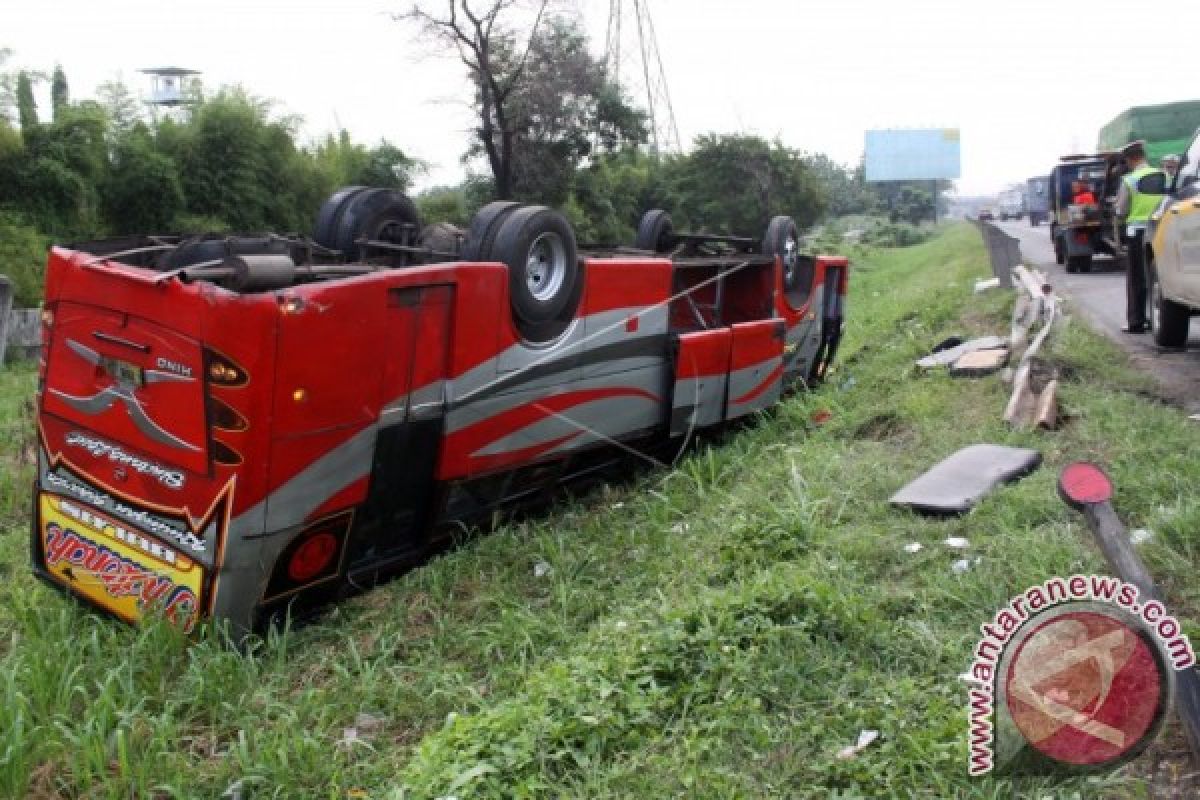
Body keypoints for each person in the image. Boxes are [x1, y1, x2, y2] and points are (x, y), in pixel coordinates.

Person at [1114, 140, 1164, 333]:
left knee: (1136, 279)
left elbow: (1121, 209)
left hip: (1137, 234)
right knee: (1157, 276)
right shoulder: (1163, 175)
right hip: (1161, 230)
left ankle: (1136, 322)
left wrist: (1117, 209)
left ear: (1131, 159)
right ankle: (1157, 318)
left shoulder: (1130, 180)